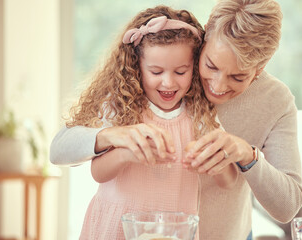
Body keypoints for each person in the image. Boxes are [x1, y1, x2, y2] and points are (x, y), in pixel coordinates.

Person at [50, 0, 302, 239]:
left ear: (259, 69)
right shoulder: (154, 79)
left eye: (238, 77)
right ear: (204, 39)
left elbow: (287, 206)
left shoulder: (274, 101)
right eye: (211, 65)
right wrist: (114, 138)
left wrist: (245, 155)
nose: (217, 86)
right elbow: (63, 149)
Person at [60, 5, 223, 239]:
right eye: (156, 72)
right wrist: (128, 153)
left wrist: (212, 159)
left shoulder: (201, 113)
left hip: (174, 231)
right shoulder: (121, 106)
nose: (168, 83)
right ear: (137, 67)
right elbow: (97, 172)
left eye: (180, 71)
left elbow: (226, 178)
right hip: (116, 228)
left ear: (194, 68)